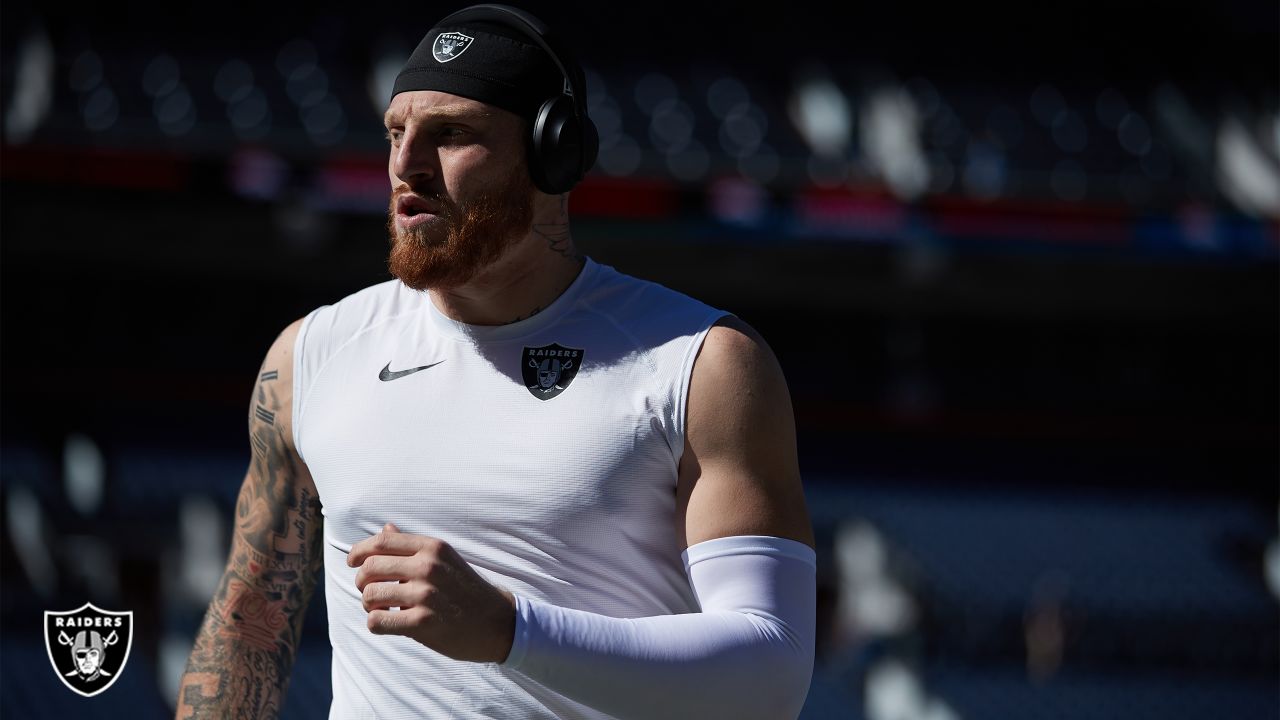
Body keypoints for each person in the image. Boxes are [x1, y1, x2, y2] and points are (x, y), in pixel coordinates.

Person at [176, 5, 814, 718]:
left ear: (554, 155)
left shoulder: (701, 365)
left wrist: (510, 632)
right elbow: (249, 624)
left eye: (451, 134)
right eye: (395, 133)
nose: (405, 164)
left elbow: (772, 673)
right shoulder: (311, 356)